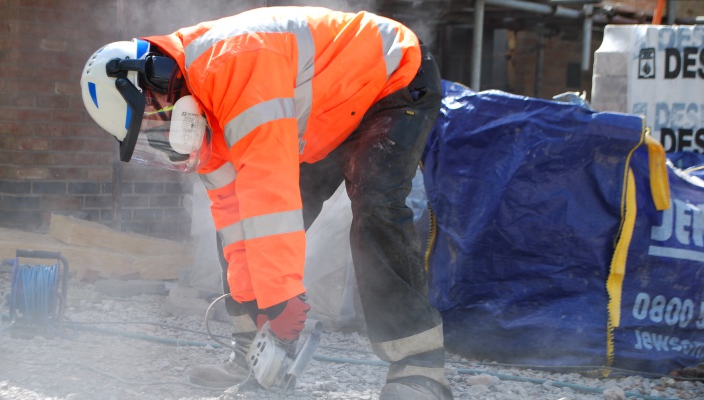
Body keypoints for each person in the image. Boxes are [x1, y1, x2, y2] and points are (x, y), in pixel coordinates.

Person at [80, 6, 450, 399]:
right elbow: (236, 217)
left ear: (158, 77)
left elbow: (269, 190)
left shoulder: (233, 66)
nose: (166, 134)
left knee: (377, 203)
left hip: (390, 78)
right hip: (326, 110)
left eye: (155, 118)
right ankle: (249, 352)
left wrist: (281, 298)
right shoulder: (203, 110)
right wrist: (259, 309)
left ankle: (419, 368)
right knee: (241, 222)